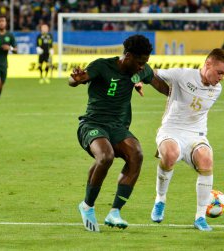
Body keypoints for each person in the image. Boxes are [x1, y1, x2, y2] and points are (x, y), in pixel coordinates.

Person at [68, 34, 169, 232]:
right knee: (106, 156)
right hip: (92, 124)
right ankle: (87, 206)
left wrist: (189, 91)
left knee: (136, 155)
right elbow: (77, 79)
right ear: (128, 56)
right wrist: (76, 80)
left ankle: (115, 212)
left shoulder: (141, 71)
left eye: (145, 63)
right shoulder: (102, 66)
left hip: (118, 127)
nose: (142, 67)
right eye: (140, 62)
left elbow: (163, 88)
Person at [150, 48, 224, 231]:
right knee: (171, 154)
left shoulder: (217, 89)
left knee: (206, 159)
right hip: (171, 130)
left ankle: (200, 218)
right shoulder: (182, 75)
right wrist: (139, 81)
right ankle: (160, 199)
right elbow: (152, 73)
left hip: (196, 134)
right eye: (220, 72)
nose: (221, 78)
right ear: (208, 64)